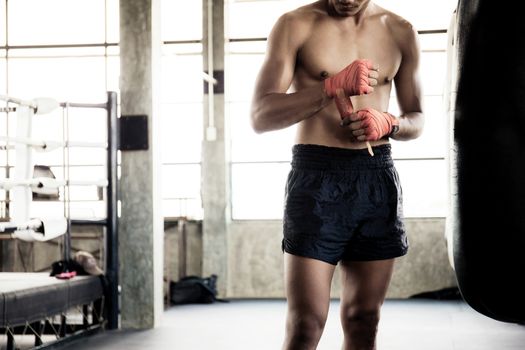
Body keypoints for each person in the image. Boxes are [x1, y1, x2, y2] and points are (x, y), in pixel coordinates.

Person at [250, 1, 424, 349]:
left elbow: (417, 119)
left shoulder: (400, 30)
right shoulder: (295, 24)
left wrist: (390, 124)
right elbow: (261, 116)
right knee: (306, 324)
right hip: (316, 177)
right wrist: (328, 88)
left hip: (375, 177)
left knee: (364, 320)